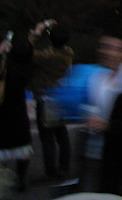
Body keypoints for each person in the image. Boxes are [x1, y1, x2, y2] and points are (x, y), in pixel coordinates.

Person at [79, 33, 122, 193]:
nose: (110, 53)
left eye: (117, 49)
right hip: (92, 150)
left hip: (119, 154)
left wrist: (107, 125)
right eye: (106, 47)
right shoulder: (95, 76)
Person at [27, 20, 74, 179]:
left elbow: (28, 52)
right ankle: (64, 166)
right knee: (62, 135)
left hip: (46, 97)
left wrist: (36, 33)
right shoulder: (68, 52)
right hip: (61, 97)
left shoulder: (47, 56)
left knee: (47, 138)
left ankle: (51, 171)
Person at [0, 30, 33, 191]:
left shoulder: (6, 68)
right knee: (22, 147)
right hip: (19, 111)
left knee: (3, 144)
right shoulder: (25, 68)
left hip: (4, 112)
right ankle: (21, 180)